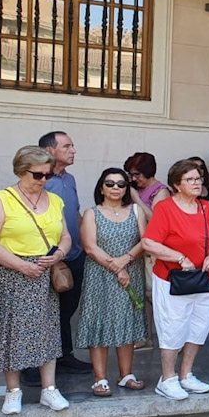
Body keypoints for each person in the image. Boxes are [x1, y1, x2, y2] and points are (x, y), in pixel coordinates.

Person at [140, 159, 209, 401]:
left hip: (204, 278)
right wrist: (179, 257)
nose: (197, 183)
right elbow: (149, 242)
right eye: (190, 179)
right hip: (173, 279)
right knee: (172, 328)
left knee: (198, 328)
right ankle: (167, 379)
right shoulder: (165, 208)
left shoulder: (205, 207)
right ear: (177, 184)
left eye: (198, 178)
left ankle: (186, 374)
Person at [0, 146, 73, 414]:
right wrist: (21, 265)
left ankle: (49, 389)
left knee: (48, 330)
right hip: (13, 273)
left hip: (45, 272)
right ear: (21, 171)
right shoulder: (3, 199)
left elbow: (65, 236)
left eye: (47, 175)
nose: (43, 180)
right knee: (12, 332)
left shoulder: (54, 200)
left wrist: (59, 254)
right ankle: (13, 391)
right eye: (38, 175)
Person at [78, 168, 148, 396]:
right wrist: (116, 267)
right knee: (99, 321)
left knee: (127, 320)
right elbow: (89, 247)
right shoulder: (92, 213)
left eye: (120, 184)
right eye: (110, 184)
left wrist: (125, 261)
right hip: (100, 276)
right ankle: (100, 379)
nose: (115, 188)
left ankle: (126, 374)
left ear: (126, 188)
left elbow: (145, 240)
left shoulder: (136, 210)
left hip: (131, 272)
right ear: (101, 188)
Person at [37, 131, 93, 377]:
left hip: (75, 255)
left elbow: (76, 213)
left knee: (67, 309)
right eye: (67, 146)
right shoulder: (40, 180)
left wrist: (86, 244)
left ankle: (63, 355)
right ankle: (33, 364)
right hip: (48, 258)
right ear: (50, 151)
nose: (73, 150)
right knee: (43, 311)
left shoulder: (70, 179)